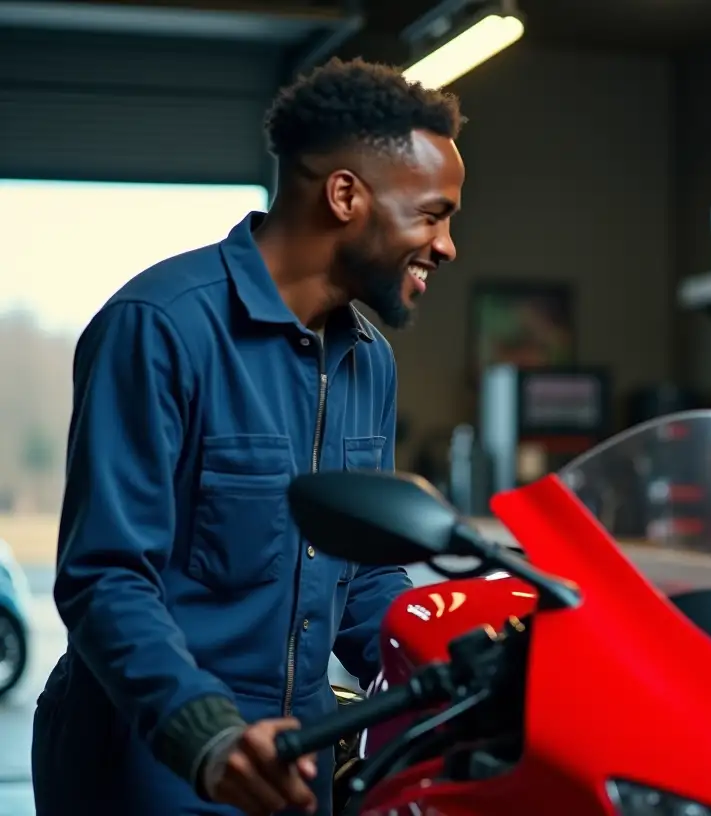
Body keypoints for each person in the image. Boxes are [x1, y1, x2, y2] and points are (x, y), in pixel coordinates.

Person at [31, 57, 466, 816]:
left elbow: (363, 576)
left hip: (297, 768)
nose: (447, 244)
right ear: (344, 196)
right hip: (155, 763)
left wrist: (451, 665)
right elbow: (105, 577)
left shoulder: (369, 363)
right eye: (432, 214)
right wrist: (205, 733)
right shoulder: (159, 328)